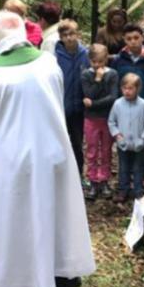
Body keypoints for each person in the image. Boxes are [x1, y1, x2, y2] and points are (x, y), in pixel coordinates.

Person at [0, 11, 96, 287]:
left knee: (15, 222)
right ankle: (59, 275)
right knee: (52, 215)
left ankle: (16, 286)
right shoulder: (48, 63)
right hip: (53, 151)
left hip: (11, 162)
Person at [55, 19, 91, 184]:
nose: (69, 38)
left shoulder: (86, 54)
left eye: (72, 34)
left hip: (80, 107)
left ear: (78, 34)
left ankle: (78, 175)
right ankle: (62, 176)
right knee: (61, 141)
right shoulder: (55, 56)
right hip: (62, 106)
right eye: (65, 35)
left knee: (78, 142)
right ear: (60, 37)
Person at [81, 44, 119, 200]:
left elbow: (112, 97)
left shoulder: (113, 74)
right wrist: (97, 80)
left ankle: (104, 180)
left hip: (107, 118)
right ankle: (92, 180)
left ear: (106, 59)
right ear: (90, 60)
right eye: (94, 62)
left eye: (101, 62)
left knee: (106, 150)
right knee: (91, 150)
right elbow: (88, 93)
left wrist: (93, 103)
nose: (97, 65)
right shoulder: (86, 75)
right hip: (91, 119)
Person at [108, 74, 144, 203]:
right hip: (123, 144)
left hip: (139, 144)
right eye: (124, 88)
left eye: (130, 88)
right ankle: (123, 190)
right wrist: (117, 135)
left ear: (138, 89)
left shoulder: (143, 105)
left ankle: (138, 191)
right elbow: (111, 122)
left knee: (138, 167)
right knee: (123, 167)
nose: (127, 91)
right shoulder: (117, 104)